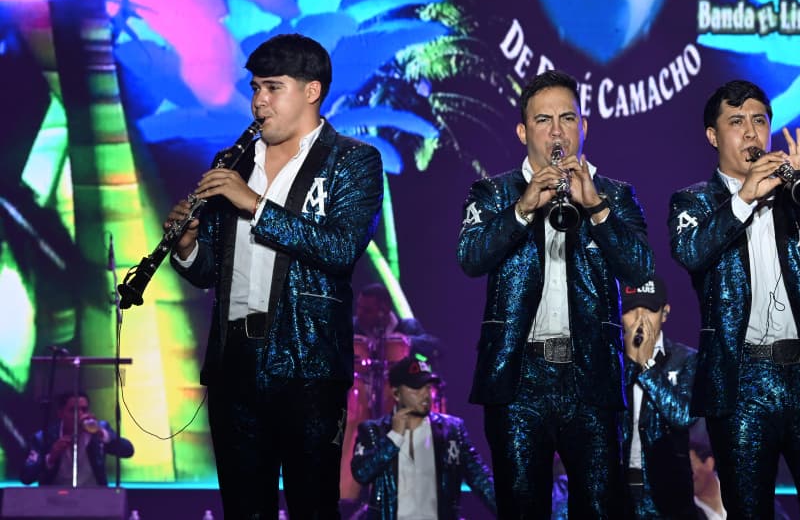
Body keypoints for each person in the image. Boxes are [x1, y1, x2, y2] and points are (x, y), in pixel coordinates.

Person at [167, 33, 383, 519]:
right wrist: (187, 246)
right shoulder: (233, 161)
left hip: (308, 365)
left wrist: (254, 204)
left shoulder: (353, 161)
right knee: (243, 509)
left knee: (313, 507)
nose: (258, 101)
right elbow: (210, 272)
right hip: (234, 363)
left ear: (311, 91)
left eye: (272, 87)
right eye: (255, 88)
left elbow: (340, 249)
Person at [457, 69, 654, 518]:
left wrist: (596, 208)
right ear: (523, 131)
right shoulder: (492, 192)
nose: (557, 131)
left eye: (567, 118)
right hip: (518, 379)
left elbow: (641, 267)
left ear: (584, 126)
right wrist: (522, 208)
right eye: (543, 120)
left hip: (591, 377)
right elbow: (469, 258)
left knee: (602, 509)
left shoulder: (615, 194)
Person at [668, 79, 800, 518]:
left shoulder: (796, 196)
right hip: (741, 384)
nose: (751, 132)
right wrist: (744, 197)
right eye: (736, 122)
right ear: (713, 136)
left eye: (759, 121)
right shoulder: (693, 201)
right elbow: (691, 252)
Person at [350, 356, 495, 519]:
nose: (425, 395)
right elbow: (361, 474)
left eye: (427, 387)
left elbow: (480, 478)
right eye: (416, 388)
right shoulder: (374, 431)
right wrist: (393, 439)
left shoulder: (452, 430)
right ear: (396, 393)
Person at [620, 276, 699, 519]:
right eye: (631, 310)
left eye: (649, 310)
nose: (640, 320)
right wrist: (628, 364)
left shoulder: (686, 359)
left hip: (669, 496)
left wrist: (647, 365)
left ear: (665, 313)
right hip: (616, 493)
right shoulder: (609, 361)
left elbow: (685, 416)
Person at [20, 391, 133, 486]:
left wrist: (102, 434)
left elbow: (128, 451)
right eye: (73, 410)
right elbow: (26, 477)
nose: (80, 414)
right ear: (61, 413)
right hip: (55, 499)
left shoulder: (100, 429)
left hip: (94, 497)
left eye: (84, 410)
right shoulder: (43, 437)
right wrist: (51, 457)